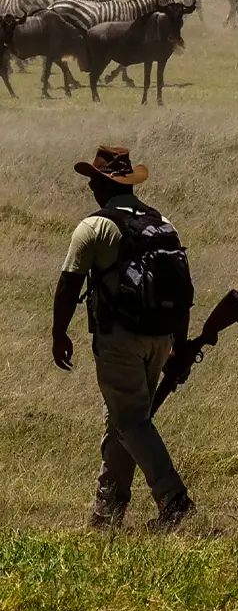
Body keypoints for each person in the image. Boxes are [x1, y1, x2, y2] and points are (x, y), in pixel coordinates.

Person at [52, 146, 195, 532]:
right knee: (124, 419)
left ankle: (173, 500)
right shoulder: (162, 222)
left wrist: (58, 333)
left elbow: (69, 285)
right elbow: (182, 292)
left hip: (119, 338)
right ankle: (108, 511)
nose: (90, 188)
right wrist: (177, 346)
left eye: (92, 181)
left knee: (130, 420)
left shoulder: (94, 227)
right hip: (159, 338)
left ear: (101, 185)